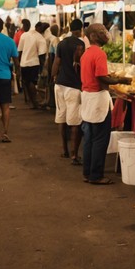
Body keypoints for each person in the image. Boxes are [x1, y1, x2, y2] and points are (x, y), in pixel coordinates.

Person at [80, 23, 126, 186]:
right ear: (92, 36)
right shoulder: (99, 54)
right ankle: (96, 175)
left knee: (90, 139)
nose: (105, 34)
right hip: (97, 99)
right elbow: (102, 77)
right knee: (100, 139)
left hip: (87, 97)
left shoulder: (86, 53)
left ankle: (87, 172)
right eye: (101, 32)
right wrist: (121, 80)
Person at [51, 18, 85, 164]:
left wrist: (53, 77)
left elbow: (56, 62)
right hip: (73, 86)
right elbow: (80, 64)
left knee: (62, 118)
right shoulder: (80, 44)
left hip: (60, 85)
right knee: (75, 122)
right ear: (80, 30)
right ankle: (74, 155)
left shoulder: (61, 43)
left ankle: (64, 150)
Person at [18, 20, 47, 109]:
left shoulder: (24, 35)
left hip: (24, 63)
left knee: (26, 82)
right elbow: (42, 55)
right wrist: (42, 68)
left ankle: (31, 101)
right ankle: (35, 101)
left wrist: (19, 64)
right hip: (34, 63)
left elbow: (20, 51)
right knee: (31, 82)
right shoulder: (40, 38)